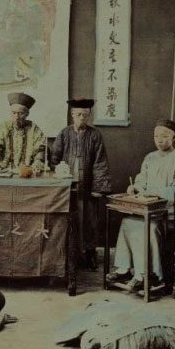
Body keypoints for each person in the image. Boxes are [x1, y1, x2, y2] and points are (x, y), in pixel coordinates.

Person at [106, 118, 175, 294]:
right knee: (127, 222)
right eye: (156, 136)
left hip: (169, 211)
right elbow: (141, 180)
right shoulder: (150, 158)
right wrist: (135, 187)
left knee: (148, 227)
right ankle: (124, 270)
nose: (159, 139)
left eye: (164, 136)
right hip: (147, 209)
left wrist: (153, 192)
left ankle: (148, 275)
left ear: (173, 137)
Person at [51, 98, 112, 270]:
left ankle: (90, 254)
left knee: (89, 221)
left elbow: (100, 162)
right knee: (69, 221)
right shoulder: (64, 133)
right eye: (78, 114)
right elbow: (55, 158)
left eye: (85, 115)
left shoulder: (95, 135)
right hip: (68, 187)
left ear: (89, 116)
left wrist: (99, 188)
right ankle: (68, 255)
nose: (82, 118)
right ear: (72, 115)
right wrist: (59, 172)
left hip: (87, 187)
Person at [0, 92, 46, 173]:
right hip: (5, 170)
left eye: (20, 113)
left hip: (28, 171)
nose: (16, 117)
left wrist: (38, 161)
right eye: (14, 113)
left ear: (27, 114)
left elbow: (41, 148)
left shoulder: (33, 128)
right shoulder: (4, 127)